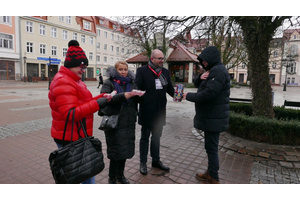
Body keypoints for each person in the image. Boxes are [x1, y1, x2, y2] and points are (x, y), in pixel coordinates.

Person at [48, 40, 111, 184]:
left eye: (85, 66)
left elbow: (83, 102)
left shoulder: (75, 80)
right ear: (71, 65)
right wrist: (97, 104)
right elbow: (70, 114)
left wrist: (101, 97)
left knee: (86, 174)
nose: (83, 70)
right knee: (80, 177)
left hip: (78, 135)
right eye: (81, 66)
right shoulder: (63, 81)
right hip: (69, 138)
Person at [182, 46, 230, 184]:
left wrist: (188, 96)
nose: (203, 64)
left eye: (205, 61)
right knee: (210, 147)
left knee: (212, 147)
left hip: (213, 117)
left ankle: (213, 176)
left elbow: (209, 94)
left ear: (211, 59)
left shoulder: (218, 71)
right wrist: (199, 76)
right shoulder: (212, 71)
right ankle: (211, 172)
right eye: (202, 61)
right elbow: (199, 85)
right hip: (212, 117)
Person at [99, 61, 142, 184]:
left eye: (125, 69)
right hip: (115, 123)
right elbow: (104, 100)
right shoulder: (109, 83)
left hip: (128, 122)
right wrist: (124, 96)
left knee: (125, 151)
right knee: (116, 152)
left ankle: (120, 175)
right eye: (120, 69)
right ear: (115, 70)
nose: (123, 71)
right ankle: (112, 177)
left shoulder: (132, 83)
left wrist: (140, 95)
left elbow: (137, 100)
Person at [135, 49, 174, 175]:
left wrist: (179, 95)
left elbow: (170, 89)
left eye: (163, 58)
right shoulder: (142, 71)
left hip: (159, 112)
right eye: (159, 58)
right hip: (147, 111)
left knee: (156, 138)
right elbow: (137, 90)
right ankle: (143, 162)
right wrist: (141, 102)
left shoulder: (165, 72)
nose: (162, 61)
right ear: (152, 59)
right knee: (145, 138)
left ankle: (156, 161)